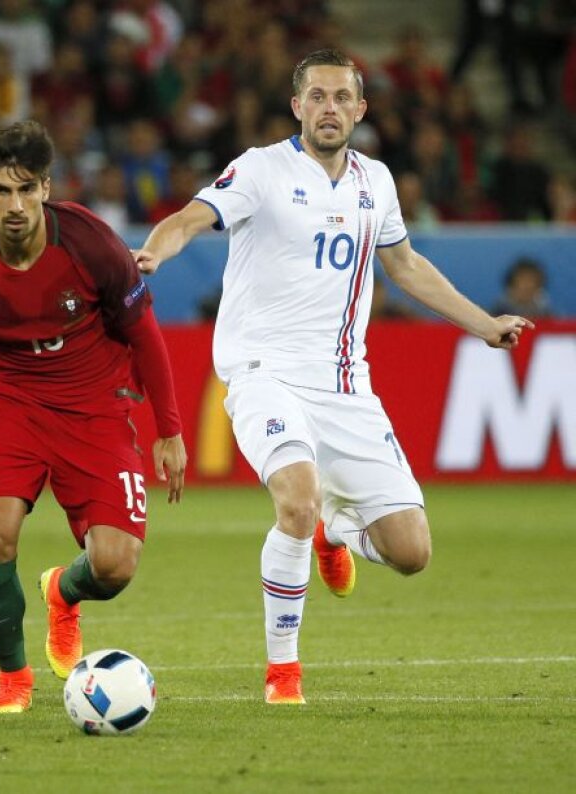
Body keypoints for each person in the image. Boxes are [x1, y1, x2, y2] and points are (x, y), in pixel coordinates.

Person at [134, 49, 533, 705]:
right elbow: (190, 218)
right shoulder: (262, 170)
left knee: (410, 553)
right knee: (295, 498)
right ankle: (283, 673)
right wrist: (156, 250)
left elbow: (404, 268)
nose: (329, 108)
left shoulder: (376, 180)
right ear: (297, 106)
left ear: (360, 109)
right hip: (264, 372)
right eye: (316, 96)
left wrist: (483, 325)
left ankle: (337, 532)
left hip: (346, 386)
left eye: (341, 97)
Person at [0, 120, 187, 714]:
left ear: (46, 188)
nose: (14, 206)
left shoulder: (93, 244)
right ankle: (13, 679)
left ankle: (61, 592)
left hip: (97, 408)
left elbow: (144, 332)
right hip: (14, 401)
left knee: (114, 568)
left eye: (25, 190)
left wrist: (169, 429)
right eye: (0, 191)